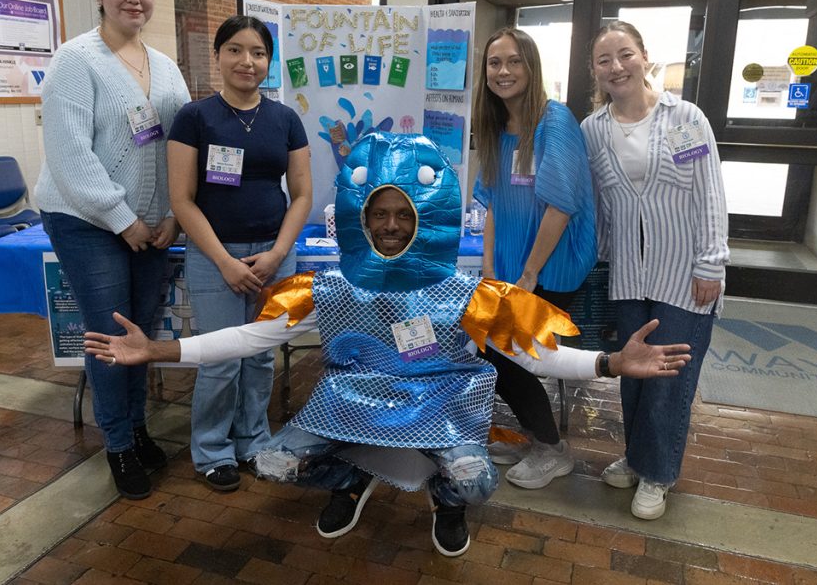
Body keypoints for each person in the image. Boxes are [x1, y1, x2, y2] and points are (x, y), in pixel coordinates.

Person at [84, 132, 692, 556]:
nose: (393, 224)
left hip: (443, 409)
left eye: (406, 213)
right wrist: (158, 352)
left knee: (477, 480)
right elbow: (251, 336)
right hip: (353, 405)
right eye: (380, 213)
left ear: (429, 217)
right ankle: (353, 477)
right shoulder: (329, 287)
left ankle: (445, 498)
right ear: (360, 217)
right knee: (274, 460)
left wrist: (610, 362)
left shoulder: (467, 292)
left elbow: (536, 354)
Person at [34, 0, 191, 500]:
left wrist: (173, 212)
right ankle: (118, 444)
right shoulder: (76, 61)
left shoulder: (166, 66)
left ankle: (139, 427)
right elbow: (69, 155)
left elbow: (181, 148)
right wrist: (123, 219)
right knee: (107, 335)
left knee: (138, 334)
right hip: (86, 219)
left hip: (151, 225)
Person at [581, 20, 729, 520]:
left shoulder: (683, 118)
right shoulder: (593, 131)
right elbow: (599, 207)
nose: (616, 66)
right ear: (595, 72)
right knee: (633, 373)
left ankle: (659, 472)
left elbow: (709, 191)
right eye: (605, 60)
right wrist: (595, 262)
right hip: (627, 274)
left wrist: (712, 261)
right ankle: (637, 456)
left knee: (668, 375)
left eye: (625, 54)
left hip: (684, 274)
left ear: (644, 55)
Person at [167, 15, 312, 492]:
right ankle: (211, 450)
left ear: (268, 61)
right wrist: (225, 261)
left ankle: (253, 440)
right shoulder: (195, 117)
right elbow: (182, 200)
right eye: (235, 50)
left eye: (257, 52)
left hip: (275, 254)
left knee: (261, 357)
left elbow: (303, 195)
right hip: (215, 257)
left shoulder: (286, 119)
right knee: (221, 358)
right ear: (218, 56)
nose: (246, 61)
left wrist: (277, 253)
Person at [471, 27, 598, 489]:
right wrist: (489, 268)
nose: (503, 72)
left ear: (532, 65)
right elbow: (490, 205)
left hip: (551, 265)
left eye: (513, 61)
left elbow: (562, 204)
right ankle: (537, 438)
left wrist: (529, 273)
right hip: (507, 267)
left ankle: (550, 448)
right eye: (494, 63)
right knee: (492, 351)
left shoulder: (554, 121)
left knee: (511, 357)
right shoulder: (494, 128)